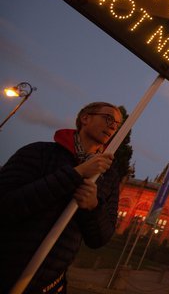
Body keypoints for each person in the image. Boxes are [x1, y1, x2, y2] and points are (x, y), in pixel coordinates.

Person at [0, 102, 123, 293]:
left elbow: (100, 239)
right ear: (85, 118)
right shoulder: (38, 152)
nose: (113, 126)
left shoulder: (108, 177)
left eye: (117, 124)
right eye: (108, 118)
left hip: (50, 285)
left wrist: (93, 208)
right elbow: (6, 205)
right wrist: (75, 174)